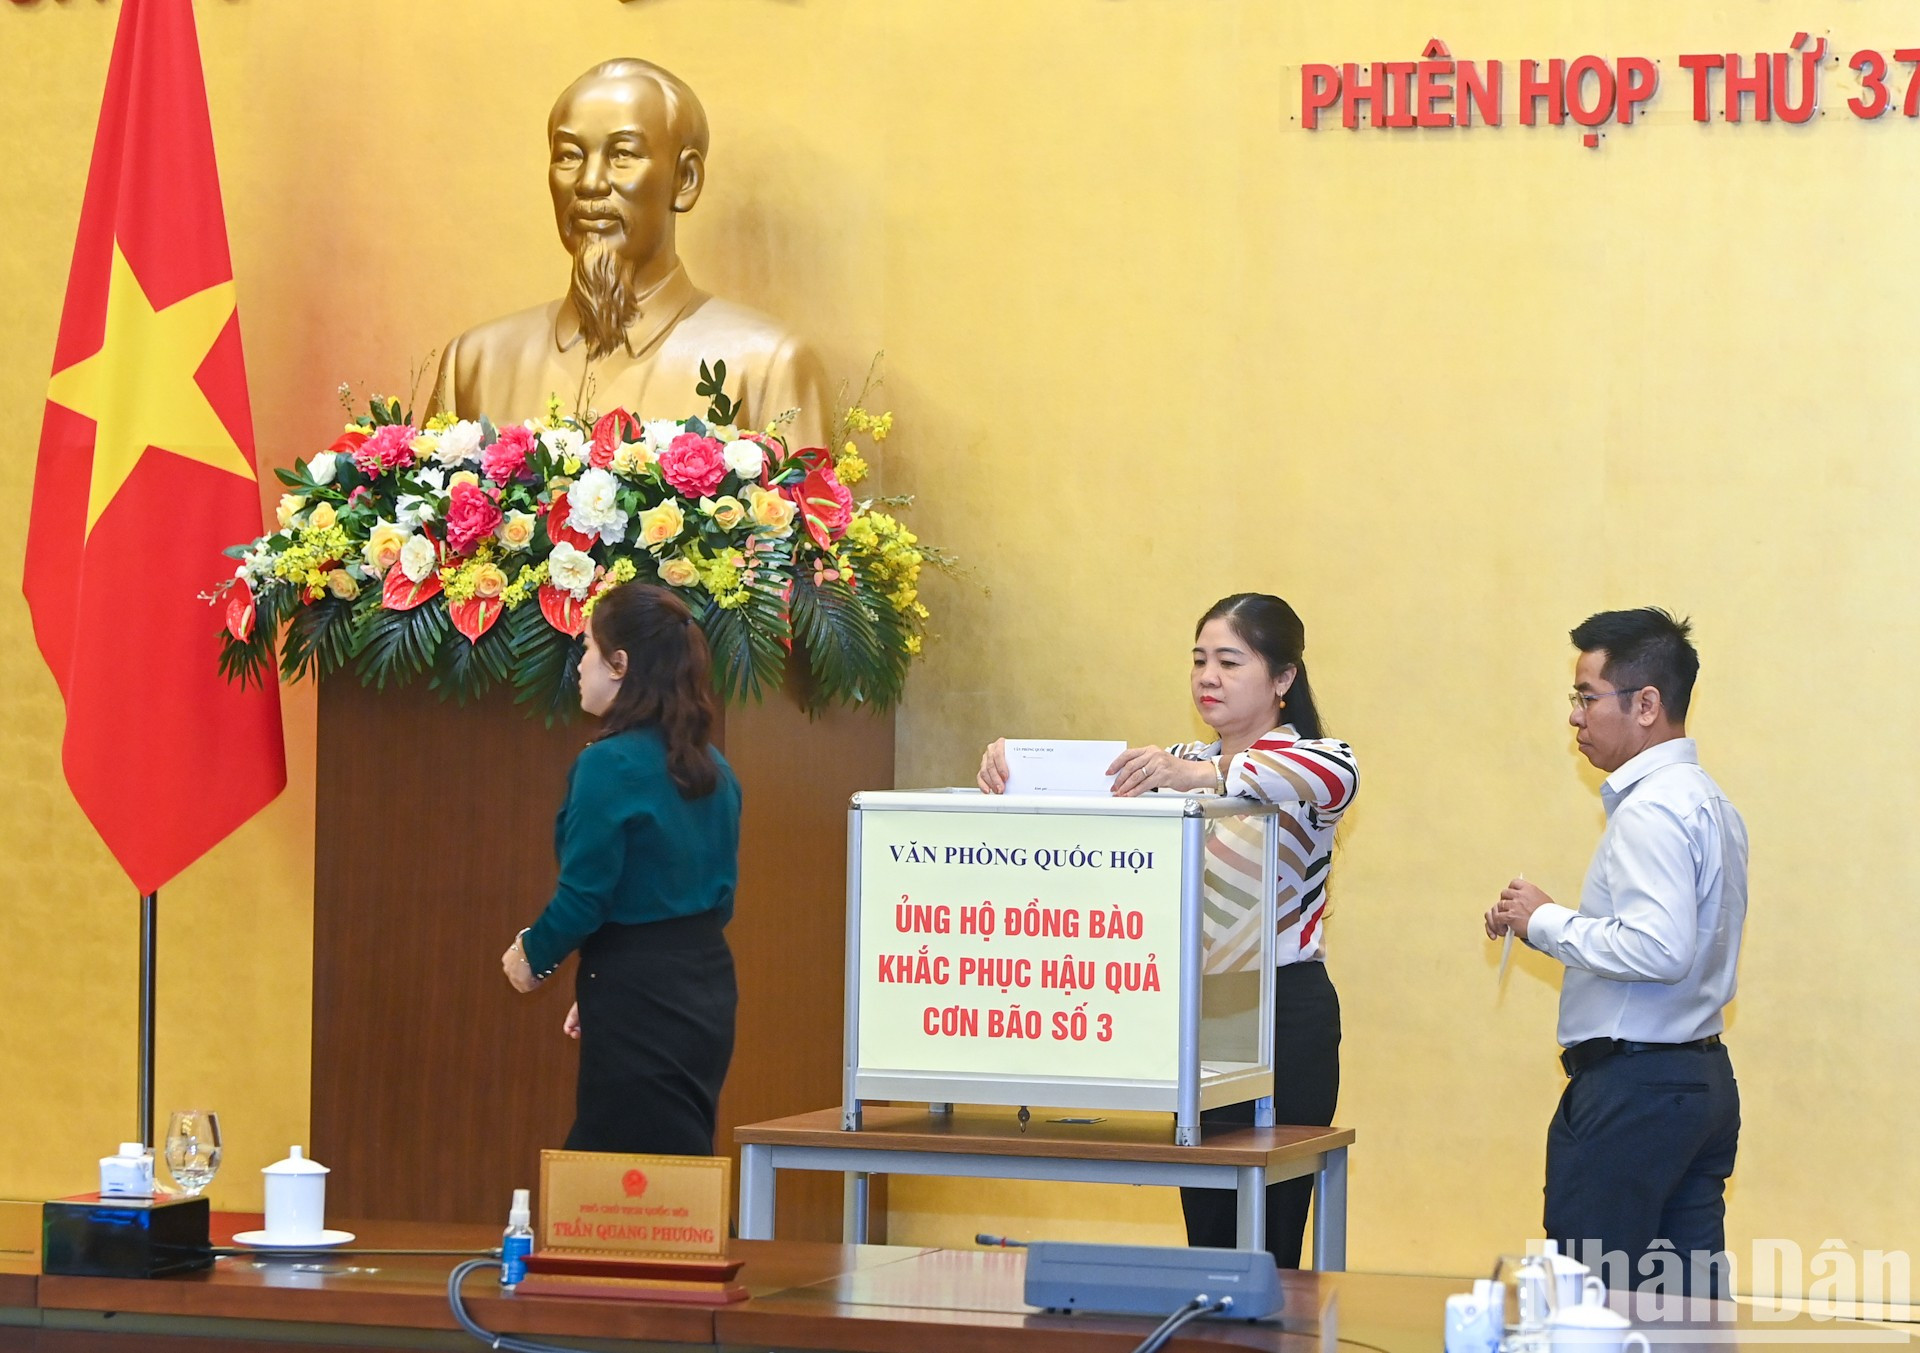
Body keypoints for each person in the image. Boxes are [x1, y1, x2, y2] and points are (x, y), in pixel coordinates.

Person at [977, 593, 1358, 1269]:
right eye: (1200, 660)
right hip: (1200, 1013)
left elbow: (1332, 775)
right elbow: (1085, 781)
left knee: (1273, 1236)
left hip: (1285, 1010)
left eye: (1229, 661)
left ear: (1282, 678)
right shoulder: (1178, 760)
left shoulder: (1315, 760)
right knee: (1208, 1225)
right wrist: (1013, 762)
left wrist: (1202, 773)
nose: (1208, 675)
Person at [1484, 608, 1747, 1297]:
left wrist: (1545, 921)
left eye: (1585, 696)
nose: (1575, 716)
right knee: (1686, 1315)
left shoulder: (1652, 808)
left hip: (1635, 1091)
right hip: (1700, 1082)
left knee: (1591, 1307)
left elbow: (1659, 948)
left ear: (1647, 704)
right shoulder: (1711, 801)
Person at [434, 58, 831, 441]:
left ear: (685, 180)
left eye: (622, 154)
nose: (589, 183)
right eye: (569, 155)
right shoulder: (474, 365)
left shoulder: (769, 367)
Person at [499, 583, 741, 1156]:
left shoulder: (607, 764)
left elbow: (585, 896)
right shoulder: (714, 766)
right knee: (670, 1158)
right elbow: (716, 902)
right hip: (703, 986)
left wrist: (531, 956)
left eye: (587, 648)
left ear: (621, 663)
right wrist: (607, 983)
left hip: (638, 992)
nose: (580, 665)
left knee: (623, 1179)